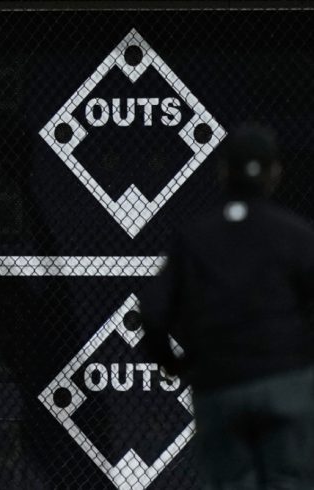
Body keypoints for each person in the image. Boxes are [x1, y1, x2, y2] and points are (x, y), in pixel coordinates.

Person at [139, 123, 314, 489]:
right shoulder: (297, 234)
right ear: (274, 174)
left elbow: (153, 311)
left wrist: (175, 363)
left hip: (220, 386)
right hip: (286, 383)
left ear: (222, 173)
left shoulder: (194, 237)